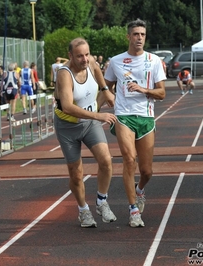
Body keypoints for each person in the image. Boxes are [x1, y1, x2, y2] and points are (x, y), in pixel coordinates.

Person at [104, 19, 166, 228]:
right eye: (136, 34)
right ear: (128, 37)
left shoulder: (154, 61)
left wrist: (143, 90)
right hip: (123, 116)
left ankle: (139, 190)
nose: (139, 38)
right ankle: (133, 210)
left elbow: (162, 93)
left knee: (147, 171)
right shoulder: (116, 61)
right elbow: (107, 86)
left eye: (142, 34)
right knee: (129, 159)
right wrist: (98, 107)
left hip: (146, 117)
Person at [54, 37, 117, 228]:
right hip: (68, 126)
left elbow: (98, 70)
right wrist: (98, 115)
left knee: (106, 160)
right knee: (76, 173)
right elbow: (67, 107)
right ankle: (83, 211)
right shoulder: (64, 74)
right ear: (70, 55)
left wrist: (105, 90)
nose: (85, 59)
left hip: (89, 123)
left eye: (87, 54)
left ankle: (101, 201)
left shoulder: (90, 62)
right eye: (80, 56)